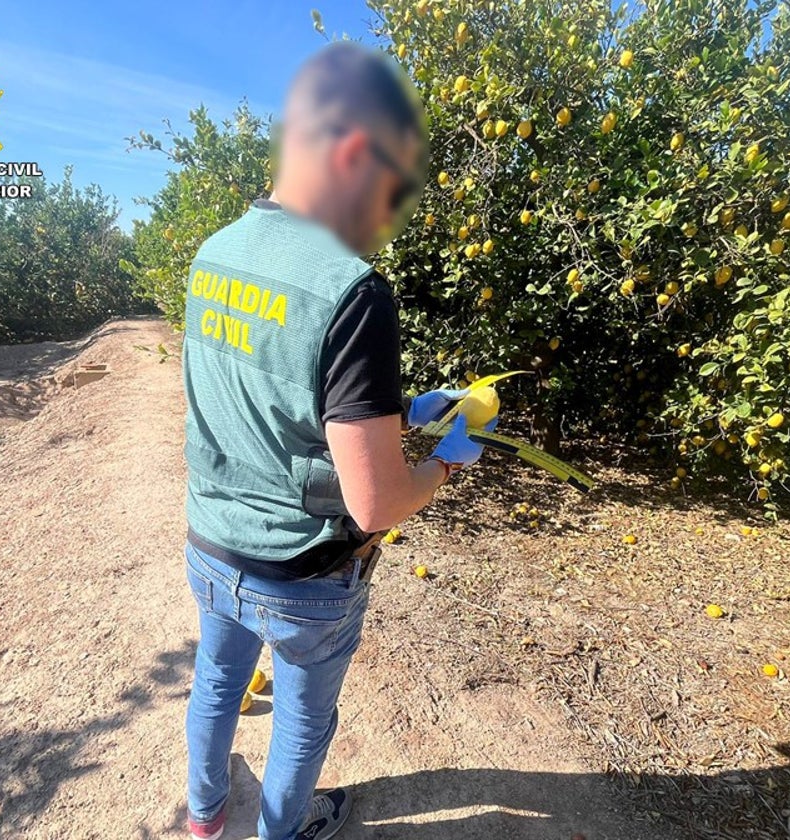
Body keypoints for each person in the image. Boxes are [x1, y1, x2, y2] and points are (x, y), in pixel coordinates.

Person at [181, 42, 500, 840]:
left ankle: (204, 816)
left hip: (211, 543)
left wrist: (398, 408)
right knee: (301, 716)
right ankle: (283, 833)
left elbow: (262, 388)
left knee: (216, 681)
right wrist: (444, 461)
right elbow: (378, 499)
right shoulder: (352, 291)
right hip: (302, 573)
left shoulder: (212, 255)